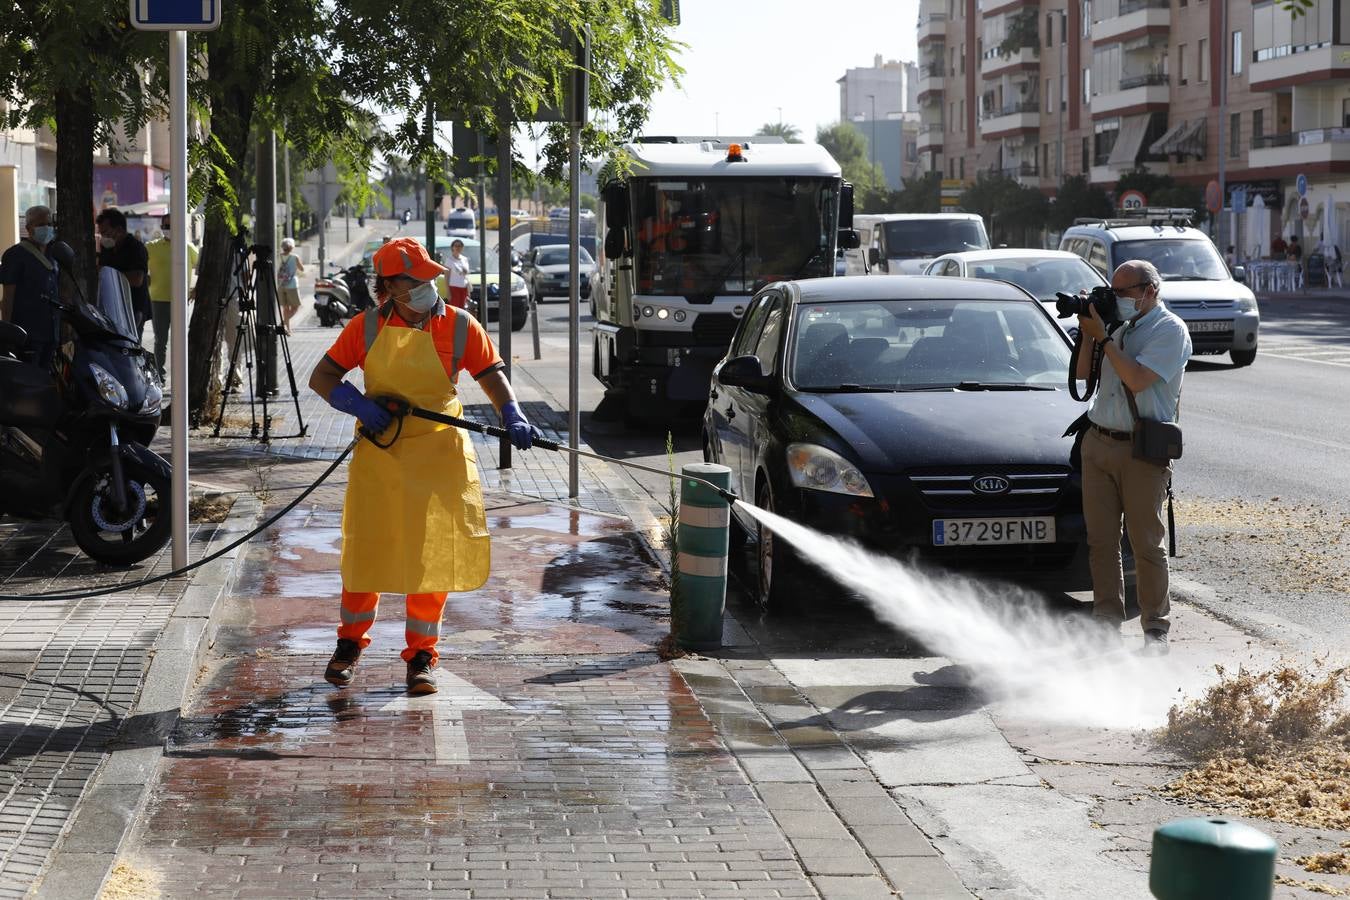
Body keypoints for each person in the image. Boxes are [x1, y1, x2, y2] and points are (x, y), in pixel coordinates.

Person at [307, 237, 542, 694]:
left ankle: (422, 657)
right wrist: (357, 404)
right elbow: (323, 377)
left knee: (432, 555)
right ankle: (349, 644)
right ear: (390, 288)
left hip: (438, 454)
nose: (426, 288)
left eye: (428, 279)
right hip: (382, 453)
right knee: (368, 551)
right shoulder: (366, 327)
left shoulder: (459, 326)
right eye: (415, 282)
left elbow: (491, 373)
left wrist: (511, 411)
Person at [1074, 260, 1192, 655]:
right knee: (1101, 542)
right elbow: (1079, 376)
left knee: (1146, 544)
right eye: (1113, 291)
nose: (1118, 299)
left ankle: (1155, 631)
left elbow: (1139, 380)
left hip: (1141, 449)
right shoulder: (1117, 327)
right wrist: (1089, 334)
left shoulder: (1169, 330)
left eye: (1124, 292)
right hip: (1098, 442)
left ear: (1150, 290)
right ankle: (1105, 626)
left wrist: (1104, 340)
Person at [0, 205, 61, 368]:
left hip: (51, 334)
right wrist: (7, 334)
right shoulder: (15, 255)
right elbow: (7, 298)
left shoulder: (53, 256)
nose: (47, 228)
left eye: (49, 223)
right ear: (28, 228)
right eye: (41, 224)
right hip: (27, 336)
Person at [145, 215, 199, 381]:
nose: (167, 228)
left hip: (180, 302)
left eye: (171, 225)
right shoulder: (151, 247)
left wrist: (196, 288)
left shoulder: (188, 247)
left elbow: (202, 267)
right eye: (165, 225)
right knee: (160, 341)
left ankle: (182, 377)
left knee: (181, 341)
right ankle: (159, 377)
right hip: (158, 300)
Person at [96, 208, 151, 336]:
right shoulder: (107, 248)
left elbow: (137, 279)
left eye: (106, 232)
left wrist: (110, 276)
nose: (103, 237)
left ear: (119, 230)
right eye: (101, 233)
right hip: (112, 307)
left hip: (133, 310)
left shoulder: (136, 248)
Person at [277, 237, 304, 334]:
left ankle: (287, 329)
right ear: (292, 247)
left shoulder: (278, 256)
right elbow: (302, 269)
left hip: (280, 284)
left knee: (285, 308)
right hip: (292, 285)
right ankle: (283, 324)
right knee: (296, 307)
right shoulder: (295, 257)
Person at [444, 239, 471, 310]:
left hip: (464, 288)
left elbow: (466, 276)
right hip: (454, 288)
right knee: (455, 309)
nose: (458, 248)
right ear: (452, 247)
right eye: (456, 246)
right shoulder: (449, 260)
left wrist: (468, 290)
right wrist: (448, 292)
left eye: (460, 246)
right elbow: (446, 276)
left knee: (463, 310)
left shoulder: (465, 259)